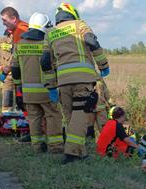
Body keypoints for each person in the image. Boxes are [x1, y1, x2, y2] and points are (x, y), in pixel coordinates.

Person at [41, 3, 110, 164]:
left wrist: (51, 85)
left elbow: (45, 61)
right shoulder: (80, 25)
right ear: (73, 14)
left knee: (70, 116)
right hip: (83, 79)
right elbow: (91, 42)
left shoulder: (50, 33)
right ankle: (71, 152)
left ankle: (81, 152)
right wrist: (103, 66)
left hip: (63, 82)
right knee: (80, 115)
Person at [11, 12, 63, 153]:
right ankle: (55, 147)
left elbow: (15, 68)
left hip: (28, 92)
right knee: (53, 116)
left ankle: (37, 147)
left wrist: (18, 87)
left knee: (34, 118)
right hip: (47, 91)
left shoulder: (19, 45)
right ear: (44, 27)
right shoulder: (47, 44)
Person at [0, 7, 29, 111]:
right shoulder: (20, 29)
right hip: (22, 74)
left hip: (25, 75)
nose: (3, 23)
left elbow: (17, 57)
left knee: (25, 106)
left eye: (4, 20)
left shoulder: (20, 31)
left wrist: (7, 70)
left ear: (13, 18)